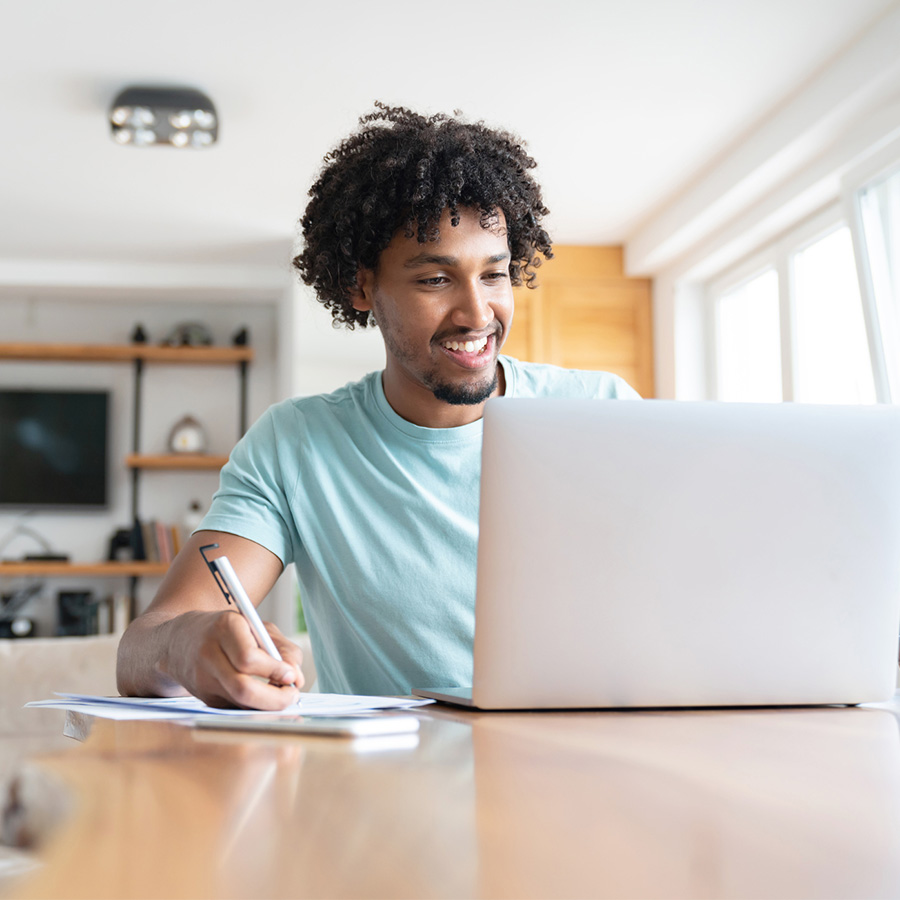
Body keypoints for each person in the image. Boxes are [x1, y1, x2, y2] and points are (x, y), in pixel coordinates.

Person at [116, 103, 639, 709]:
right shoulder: (297, 445)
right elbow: (140, 650)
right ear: (361, 286)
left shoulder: (602, 411)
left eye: (494, 276)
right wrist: (188, 641)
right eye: (435, 280)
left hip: (590, 764)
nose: (477, 314)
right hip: (390, 788)